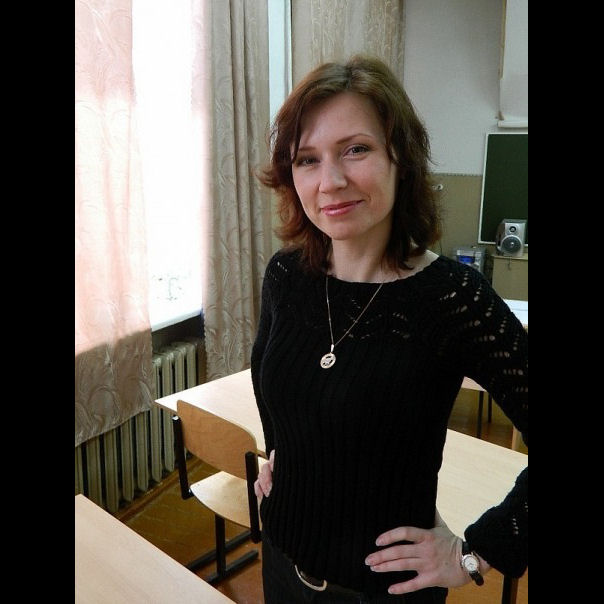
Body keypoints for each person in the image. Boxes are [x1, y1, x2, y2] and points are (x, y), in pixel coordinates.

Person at [251, 55, 527, 603]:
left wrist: (475, 553)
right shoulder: (286, 276)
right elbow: (274, 382)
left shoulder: (451, 297)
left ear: (401, 158)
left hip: (384, 592)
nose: (330, 181)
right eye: (307, 159)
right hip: (281, 564)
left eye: (356, 149)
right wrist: (282, 453)